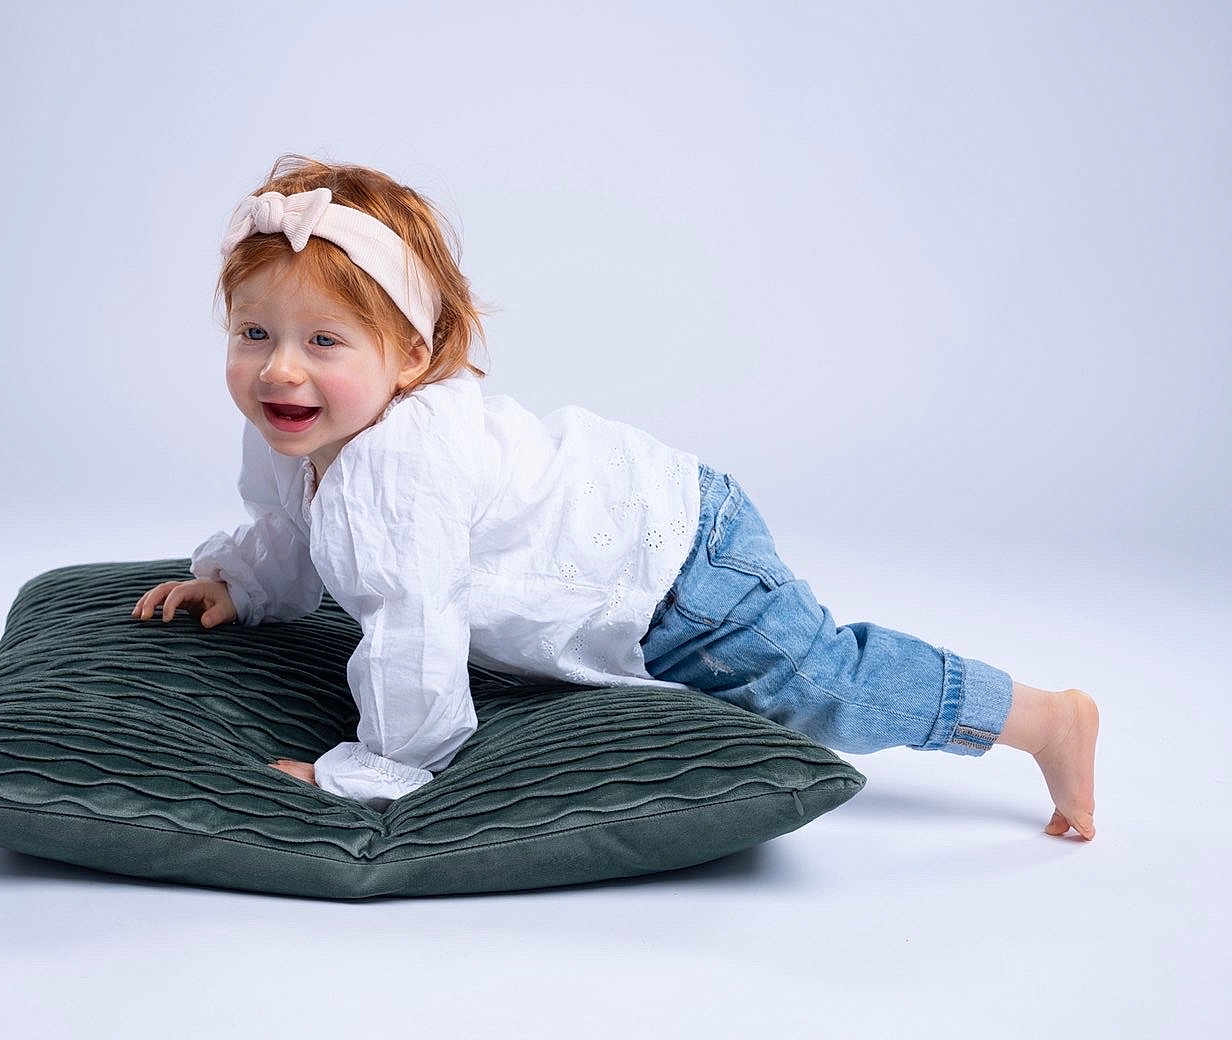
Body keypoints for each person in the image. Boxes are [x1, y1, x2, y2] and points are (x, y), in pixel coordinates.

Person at [131, 154, 1099, 839]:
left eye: (323, 341)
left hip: (678, 574)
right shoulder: (305, 429)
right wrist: (240, 583)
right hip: (642, 534)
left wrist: (381, 767)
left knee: (825, 692)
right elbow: (292, 527)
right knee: (814, 690)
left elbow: (412, 629)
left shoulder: (399, 469)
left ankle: (1044, 719)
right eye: (254, 333)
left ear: (412, 356)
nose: (279, 369)